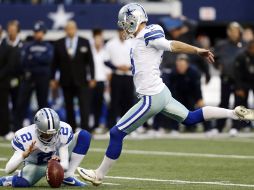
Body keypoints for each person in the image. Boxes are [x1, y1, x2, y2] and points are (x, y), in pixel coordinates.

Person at [77, 3, 254, 185]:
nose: (124, 26)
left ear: (135, 19)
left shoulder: (148, 33)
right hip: (160, 92)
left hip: (151, 96)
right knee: (190, 118)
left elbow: (171, 45)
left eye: (127, 22)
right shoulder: (142, 36)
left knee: (116, 133)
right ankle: (234, 113)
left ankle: (98, 174)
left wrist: (196, 50)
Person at [0, 108, 91, 187]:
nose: (50, 137)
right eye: (46, 134)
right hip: (36, 165)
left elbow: (65, 165)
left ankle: (68, 176)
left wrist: (56, 163)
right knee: (19, 183)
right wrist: (23, 155)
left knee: (84, 135)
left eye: (53, 133)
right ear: (37, 129)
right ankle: (7, 180)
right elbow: (8, 169)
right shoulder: (25, 136)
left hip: (55, 159)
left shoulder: (64, 130)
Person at [51, 20, 95, 132]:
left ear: (76, 29)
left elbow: (90, 62)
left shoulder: (84, 42)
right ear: (65, 30)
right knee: (69, 106)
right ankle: (71, 129)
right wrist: (52, 78)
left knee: (84, 106)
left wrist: (93, 77)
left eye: (72, 28)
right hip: (66, 80)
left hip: (82, 80)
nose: (70, 30)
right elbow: (54, 63)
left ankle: (85, 129)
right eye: (68, 28)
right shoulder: (59, 43)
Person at [12, 21, 54, 134]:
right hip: (29, 78)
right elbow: (24, 61)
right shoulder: (28, 45)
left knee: (43, 105)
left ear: (43, 32)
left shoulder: (48, 46)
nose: (37, 34)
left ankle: (44, 130)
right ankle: (16, 129)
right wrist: (39, 59)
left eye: (39, 32)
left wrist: (33, 58)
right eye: (36, 32)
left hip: (43, 78)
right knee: (21, 103)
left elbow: (48, 60)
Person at [214, 22, 245, 133]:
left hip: (240, 79)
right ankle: (219, 127)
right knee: (223, 102)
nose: (233, 33)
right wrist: (218, 66)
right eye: (231, 31)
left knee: (239, 102)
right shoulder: (221, 45)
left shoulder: (245, 44)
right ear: (228, 32)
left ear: (239, 32)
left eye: (235, 31)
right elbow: (214, 57)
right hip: (226, 77)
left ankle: (236, 127)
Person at [104, 28, 134, 129]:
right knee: (114, 101)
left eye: (124, 31)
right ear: (118, 32)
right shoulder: (110, 44)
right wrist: (117, 67)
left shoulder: (132, 43)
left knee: (128, 101)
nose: (122, 33)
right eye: (121, 31)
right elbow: (106, 61)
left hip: (129, 76)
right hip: (116, 76)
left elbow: (137, 59)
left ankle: (128, 125)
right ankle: (111, 125)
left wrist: (129, 67)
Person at [2, 20, 24, 140]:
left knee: (18, 105)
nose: (11, 32)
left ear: (17, 31)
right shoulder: (3, 44)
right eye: (9, 30)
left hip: (18, 79)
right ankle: (6, 129)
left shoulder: (22, 44)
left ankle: (18, 129)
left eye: (13, 30)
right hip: (4, 80)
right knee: (4, 106)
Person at [90, 28, 108, 131]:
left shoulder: (104, 51)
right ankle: (90, 123)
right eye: (96, 40)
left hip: (101, 81)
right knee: (90, 103)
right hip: (92, 81)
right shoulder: (90, 51)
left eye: (100, 40)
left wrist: (107, 82)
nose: (98, 42)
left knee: (99, 103)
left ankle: (97, 124)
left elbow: (107, 68)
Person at [233, 40, 254, 131]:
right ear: (249, 48)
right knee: (241, 104)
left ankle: (249, 124)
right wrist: (239, 87)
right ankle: (238, 125)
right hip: (243, 82)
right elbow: (237, 73)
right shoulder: (241, 56)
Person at [0, 35, 17, 137]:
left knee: (3, 107)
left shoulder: (7, 47)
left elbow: (9, 65)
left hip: (2, 82)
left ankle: (4, 130)